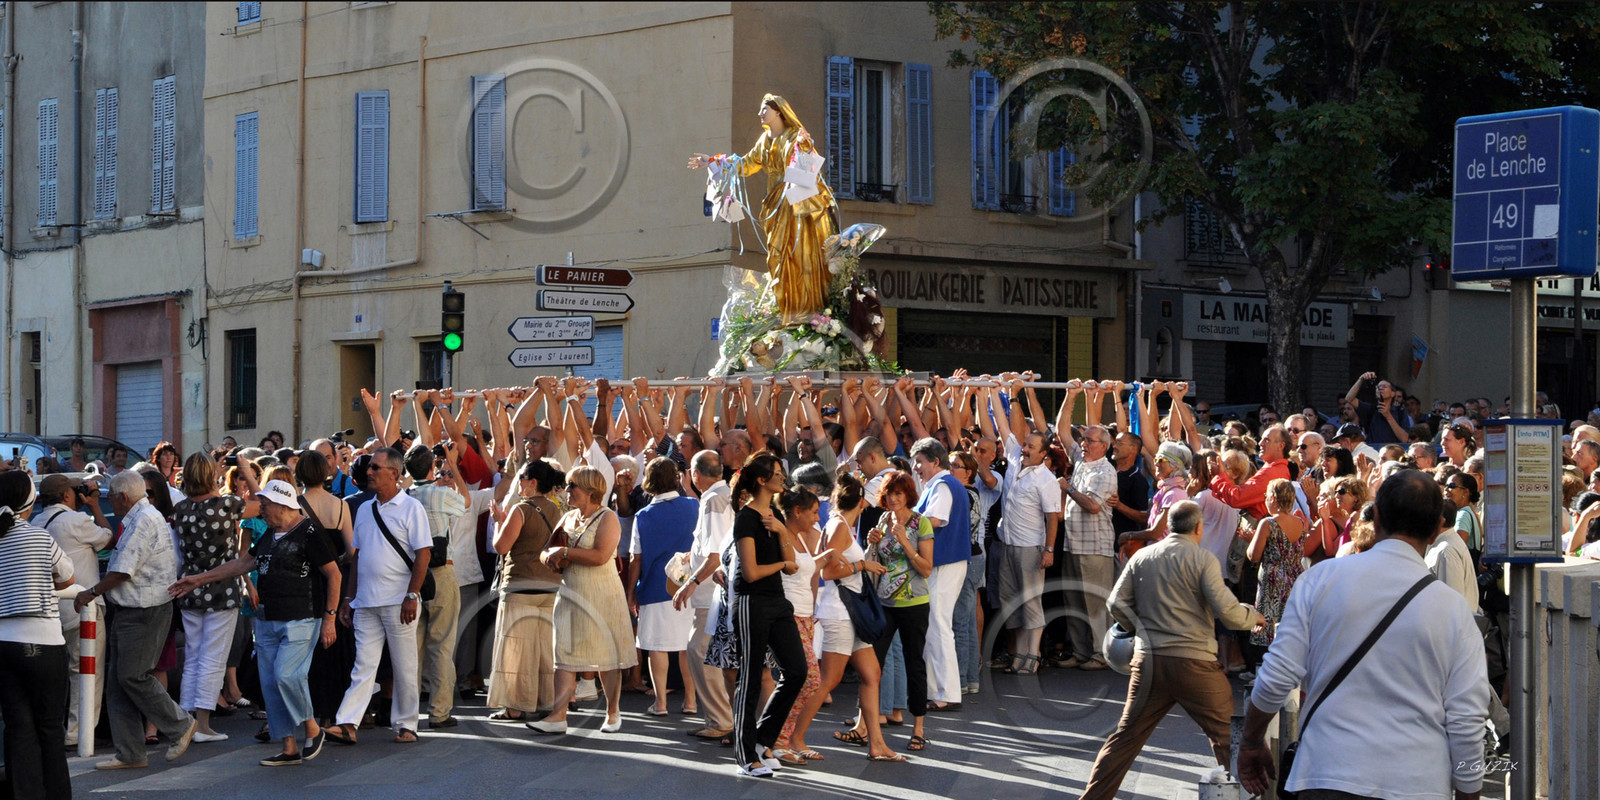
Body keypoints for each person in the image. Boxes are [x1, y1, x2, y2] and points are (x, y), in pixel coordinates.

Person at [1238, 470, 1491, 799]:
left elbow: (1278, 675)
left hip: (1328, 772)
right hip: (1418, 781)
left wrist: (1252, 741)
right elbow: (1467, 718)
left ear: (1379, 517)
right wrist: (1469, 793)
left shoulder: (1319, 581)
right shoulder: (1455, 610)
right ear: (1434, 530)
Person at [1078, 500, 1265, 799]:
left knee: (1124, 739)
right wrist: (1251, 615)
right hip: (1194, 663)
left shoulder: (1144, 557)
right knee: (1227, 737)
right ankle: (1250, 795)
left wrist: (1140, 628)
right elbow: (1227, 612)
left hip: (1148, 662)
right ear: (1199, 528)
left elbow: (1115, 603)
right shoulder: (1203, 559)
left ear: (1169, 526)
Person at [169, 480, 341, 766]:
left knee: (287, 676)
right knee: (271, 684)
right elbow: (241, 564)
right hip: (266, 618)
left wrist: (330, 618)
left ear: (283, 505)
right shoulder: (270, 534)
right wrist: (198, 580)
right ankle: (288, 747)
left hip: (301, 617)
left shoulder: (309, 532)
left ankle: (312, 729)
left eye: (265, 504)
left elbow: (334, 575)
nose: (260, 509)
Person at [73, 470, 199, 770]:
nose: (110, 501)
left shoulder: (143, 521)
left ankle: (180, 724)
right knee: (120, 683)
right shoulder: (142, 517)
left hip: (145, 610)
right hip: (135, 608)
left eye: (112, 497)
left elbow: (122, 570)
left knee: (132, 676)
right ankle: (130, 752)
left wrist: (90, 592)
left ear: (123, 497)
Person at [688, 94, 838, 324]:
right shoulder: (765, 140)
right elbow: (746, 164)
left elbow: (808, 165)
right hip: (775, 206)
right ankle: (786, 308)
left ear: (779, 111)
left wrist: (806, 146)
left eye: (764, 110)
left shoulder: (793, 137)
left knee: (799, 254)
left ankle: (805, 308)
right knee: (777, 257)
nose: (760, 114)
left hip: (794, 206)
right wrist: (712, 161)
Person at [325, 446, 433, 745]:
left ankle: (407, 724)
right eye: (370, 467)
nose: (369, 472)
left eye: (375, 468)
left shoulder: (411, 509)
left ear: (394, 474)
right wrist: (349, 599)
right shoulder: (365, 510)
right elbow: (357, 558)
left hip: (399, 601)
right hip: (367, 602)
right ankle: (347, 722)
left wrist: (412, 594)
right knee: (363, 666)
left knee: (404, 665)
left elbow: (423, 554)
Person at [527, 465, 637, 735]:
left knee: (606, 658)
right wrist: (550, 557)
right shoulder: (568, 517)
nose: (567, 491)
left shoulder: (607, 517)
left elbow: (601, 556)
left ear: (590, 490)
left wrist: (564, 551)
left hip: (602, 592)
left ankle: (613, 712)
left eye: (572, 486)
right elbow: (545, 551)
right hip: (570, 592)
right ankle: (558, 715)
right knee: (562, 654)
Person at [172, 451, 262, 744]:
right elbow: (263, 504)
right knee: (213, 659)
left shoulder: (181, 509)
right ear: (213, 475)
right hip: (222, 590)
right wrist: (246, 471)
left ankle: (185, 723)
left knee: (194, 658)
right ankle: (203, 725)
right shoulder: (226, 504)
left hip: (190, 589)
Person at [727, 453, 807, 777]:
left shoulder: (773, 514)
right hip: (751, 603)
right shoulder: (746, 518)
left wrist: (782, 531)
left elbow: (793, 564)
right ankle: (746, 755)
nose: (782, 478)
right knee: (750, 679)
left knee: (797, 671)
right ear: (762, 480)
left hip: (777, 601)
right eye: (777, 473)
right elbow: (750, 573)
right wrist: (782, 563)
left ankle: (763, 740)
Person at [0, 469, 76, 798]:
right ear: (30, 503)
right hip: (44, 642)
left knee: (18, 727)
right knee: (49, 727)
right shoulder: (40, 538)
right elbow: (68, 578)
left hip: (3, 643)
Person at [37, 472, 114, 747]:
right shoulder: (76, 520)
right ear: (68, 495)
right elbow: (108, 539)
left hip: (49, 612)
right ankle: (78, 734)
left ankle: (55, 730)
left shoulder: (36, 521)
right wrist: (94, 505)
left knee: (57, 676)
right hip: (83, 610)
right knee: (86, 673)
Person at [991, 382, 1062, 674]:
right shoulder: (1013, 460)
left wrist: (1048, 549)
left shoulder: (1045, 478)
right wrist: (995, 392)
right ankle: (1019, 654)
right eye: (1026, 444)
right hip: (1008, 544)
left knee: (1032, 603)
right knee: (1011, 602)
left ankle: (1032, 656)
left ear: (1044, 453)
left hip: (1031, 548)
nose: (1025, 447)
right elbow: (1001, 422)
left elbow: (1053, 517)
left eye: (1032, 446)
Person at [486, 459, 564, 721]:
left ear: (532, 482)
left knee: (515, 650)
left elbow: (501, 546)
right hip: (550, 586)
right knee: (544, 650)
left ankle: (515, 706)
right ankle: (546, 700)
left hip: (521, 585)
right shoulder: (557, 510)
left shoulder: (521, 509)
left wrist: (499, 521)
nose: (519, 483)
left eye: (522, 478)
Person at [866, 470, 936, 753]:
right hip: (885, 603)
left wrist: (905, 542)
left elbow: (926, 569)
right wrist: (872, 541)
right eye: (890, 493)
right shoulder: (883, 519)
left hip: (914, 603)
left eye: (899, 493)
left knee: (913, 663)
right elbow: (877, 560)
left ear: (908, 495)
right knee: (872, 665)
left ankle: (918, 728)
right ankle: (864, 725)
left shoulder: (921, 523)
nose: (893, 499)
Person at [403, 442, 469, 729]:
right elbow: (465, 502)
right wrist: (452, 466)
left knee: (412, 646)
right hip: (441, 571)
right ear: (433, 468)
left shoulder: (403, 496)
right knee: (441, 644)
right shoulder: (441, 494)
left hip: (410, 573)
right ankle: (439, 712)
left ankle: (407, 713)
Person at [628, 457, 700, 716]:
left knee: (656, 647)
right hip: (691, 586)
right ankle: (690, 700)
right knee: (685, 646)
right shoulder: (694, 505)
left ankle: (660, 703)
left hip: (655, 587)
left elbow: (636, 557)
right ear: (677, 478)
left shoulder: (643, 515)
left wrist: (631, 592)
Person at [672, 449, 735, 740]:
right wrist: (692, 556)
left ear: (695, 475)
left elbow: (715, 553)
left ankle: (721, 719)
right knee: (703, 652)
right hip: (716, 590)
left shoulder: (712, 499)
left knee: (700, 651)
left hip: (712, 592)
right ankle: (720, 717)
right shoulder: (719, 496)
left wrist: (691, 582)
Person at [907, 436, 970, 710]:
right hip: (944, 562)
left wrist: (903, 518)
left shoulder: (943, 486)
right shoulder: (941, 485)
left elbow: (934, 519)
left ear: (935, 461)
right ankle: (938, 691)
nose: (916, 467)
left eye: (920, 462)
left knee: (938, 624)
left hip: (945, 562)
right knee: (934, 625)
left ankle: (946, 693)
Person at [771, 487, 825, 764]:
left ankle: (783, 738)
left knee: (801, 679)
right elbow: (788, 568)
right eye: (813, 512)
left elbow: (805, 569)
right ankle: (779, 739)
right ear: (797, 512)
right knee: (808, 678)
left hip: (806, 615)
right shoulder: (782, 535)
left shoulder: (802, 537)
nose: (818, 517)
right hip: (789, 615)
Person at [1061, 421, 1118, 671]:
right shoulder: (1082, 462)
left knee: (1095, 603)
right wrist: (1072, 395)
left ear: (1104, 446)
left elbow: (1093, 506)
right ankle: (1080, 650)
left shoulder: (1105, 472)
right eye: (1083, 439)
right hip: (1073, 544)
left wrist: (1069, 488)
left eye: (1090, 440)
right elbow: (1063, 432)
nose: (1083, 444)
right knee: (1073, 601)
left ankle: (1100, 654)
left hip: (1095, 546)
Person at [1246, 479, 1306, 647]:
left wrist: (1251, 541)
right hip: (1294, 578)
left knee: (1267, 628)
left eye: (1266, 495)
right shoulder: (1301, 523)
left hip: (1273, 581)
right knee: (1289, 625)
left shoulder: (1268, 523)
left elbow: (1254, 556)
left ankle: (1263, 666)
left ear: (1272, 498)